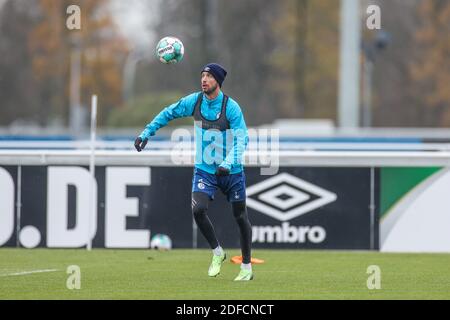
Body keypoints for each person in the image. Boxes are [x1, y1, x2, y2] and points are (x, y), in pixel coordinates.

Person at [134, 63, 253, 281]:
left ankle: (246, 267)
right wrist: (146, 133)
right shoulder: (195, 101)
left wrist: (227, 163)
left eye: (209, 76)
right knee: (198, 210)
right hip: (205, 170)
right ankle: (218, 253)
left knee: (240, 216)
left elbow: (242, 139)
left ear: (218, 81)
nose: (204, 79)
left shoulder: (231, 107)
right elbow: (168, 113)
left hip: (232, 171)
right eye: (202, 76)